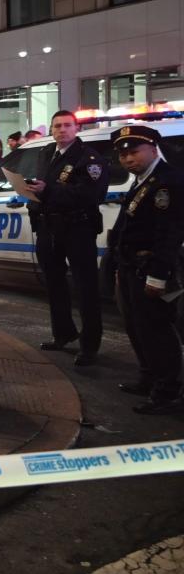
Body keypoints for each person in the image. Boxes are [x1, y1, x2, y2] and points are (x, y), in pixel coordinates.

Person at [108, 125, 184, 415]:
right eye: (123, 154)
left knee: (156, 330)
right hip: (131, 267)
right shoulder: (143, 180)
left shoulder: (167, 183)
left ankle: (168, 392)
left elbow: (169, 233)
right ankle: (149, 378)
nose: (127, 159)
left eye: (134, 151)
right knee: (137, 327)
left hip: (150, 269)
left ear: (153, 149)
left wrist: (158, 276)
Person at [27, 110, 109, 366]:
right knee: (54, 283)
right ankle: (62, 333)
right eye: (57, 126)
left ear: (76, 128)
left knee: (85, 287)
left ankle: (90, 345)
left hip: (77, 228)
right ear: (51, 129)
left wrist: (48, 190)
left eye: (67, 125)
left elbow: (90, 195)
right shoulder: (47, 153)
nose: (62, 130)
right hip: (49, 226)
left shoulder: (89, 158)